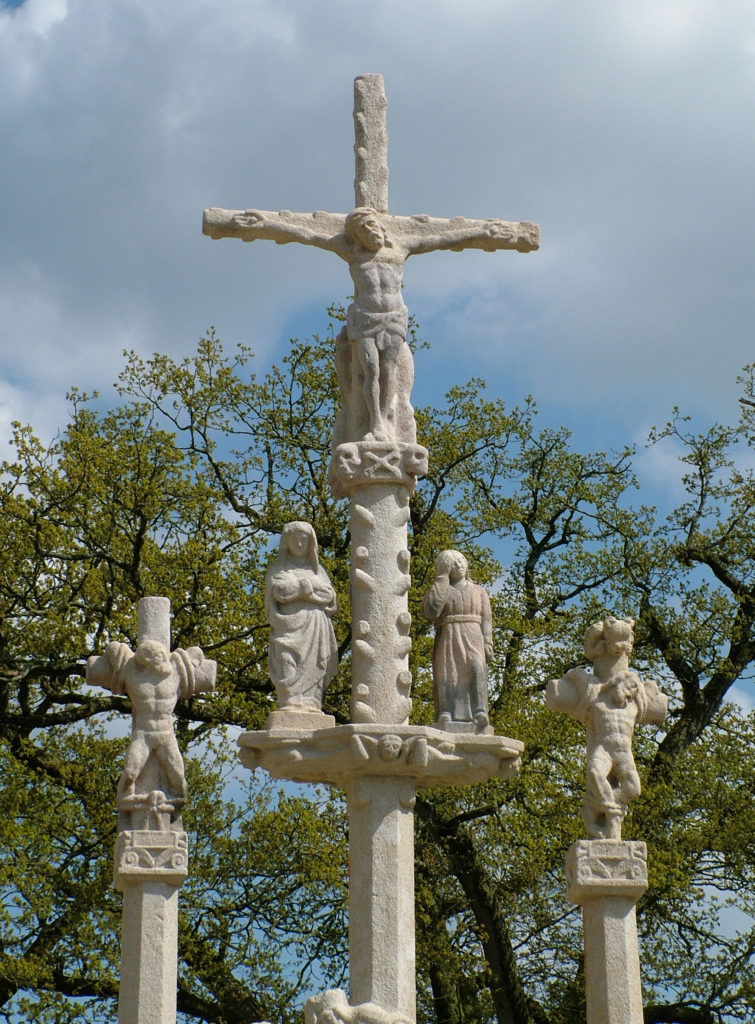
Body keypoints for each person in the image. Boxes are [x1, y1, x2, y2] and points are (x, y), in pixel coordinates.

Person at [265, 522, 338, 711]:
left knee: (315, 663)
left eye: (303, 540)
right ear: (286, 542)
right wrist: (304, 589)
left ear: (310, 543)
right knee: (285, 659)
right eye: (294, 539)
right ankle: (289, 702)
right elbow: (279, 592)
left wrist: (305, 590)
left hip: (315, 628)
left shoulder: (319, 571)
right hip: (287, 628)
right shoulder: (279, 570)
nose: (299, 544)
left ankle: (312, 703)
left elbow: (329, 595)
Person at [421, 550, 493, 732]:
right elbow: (430, 612)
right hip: (449, 634)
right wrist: (441, 577)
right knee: (448, 673)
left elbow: (486, 619)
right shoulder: (442, 590)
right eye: (453, 563)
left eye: (461, 560)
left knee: (477, 668)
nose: (459, 565)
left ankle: (479, 711)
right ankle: (446, 711)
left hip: (473, 635)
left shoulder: (479, 591)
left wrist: (488, 642)